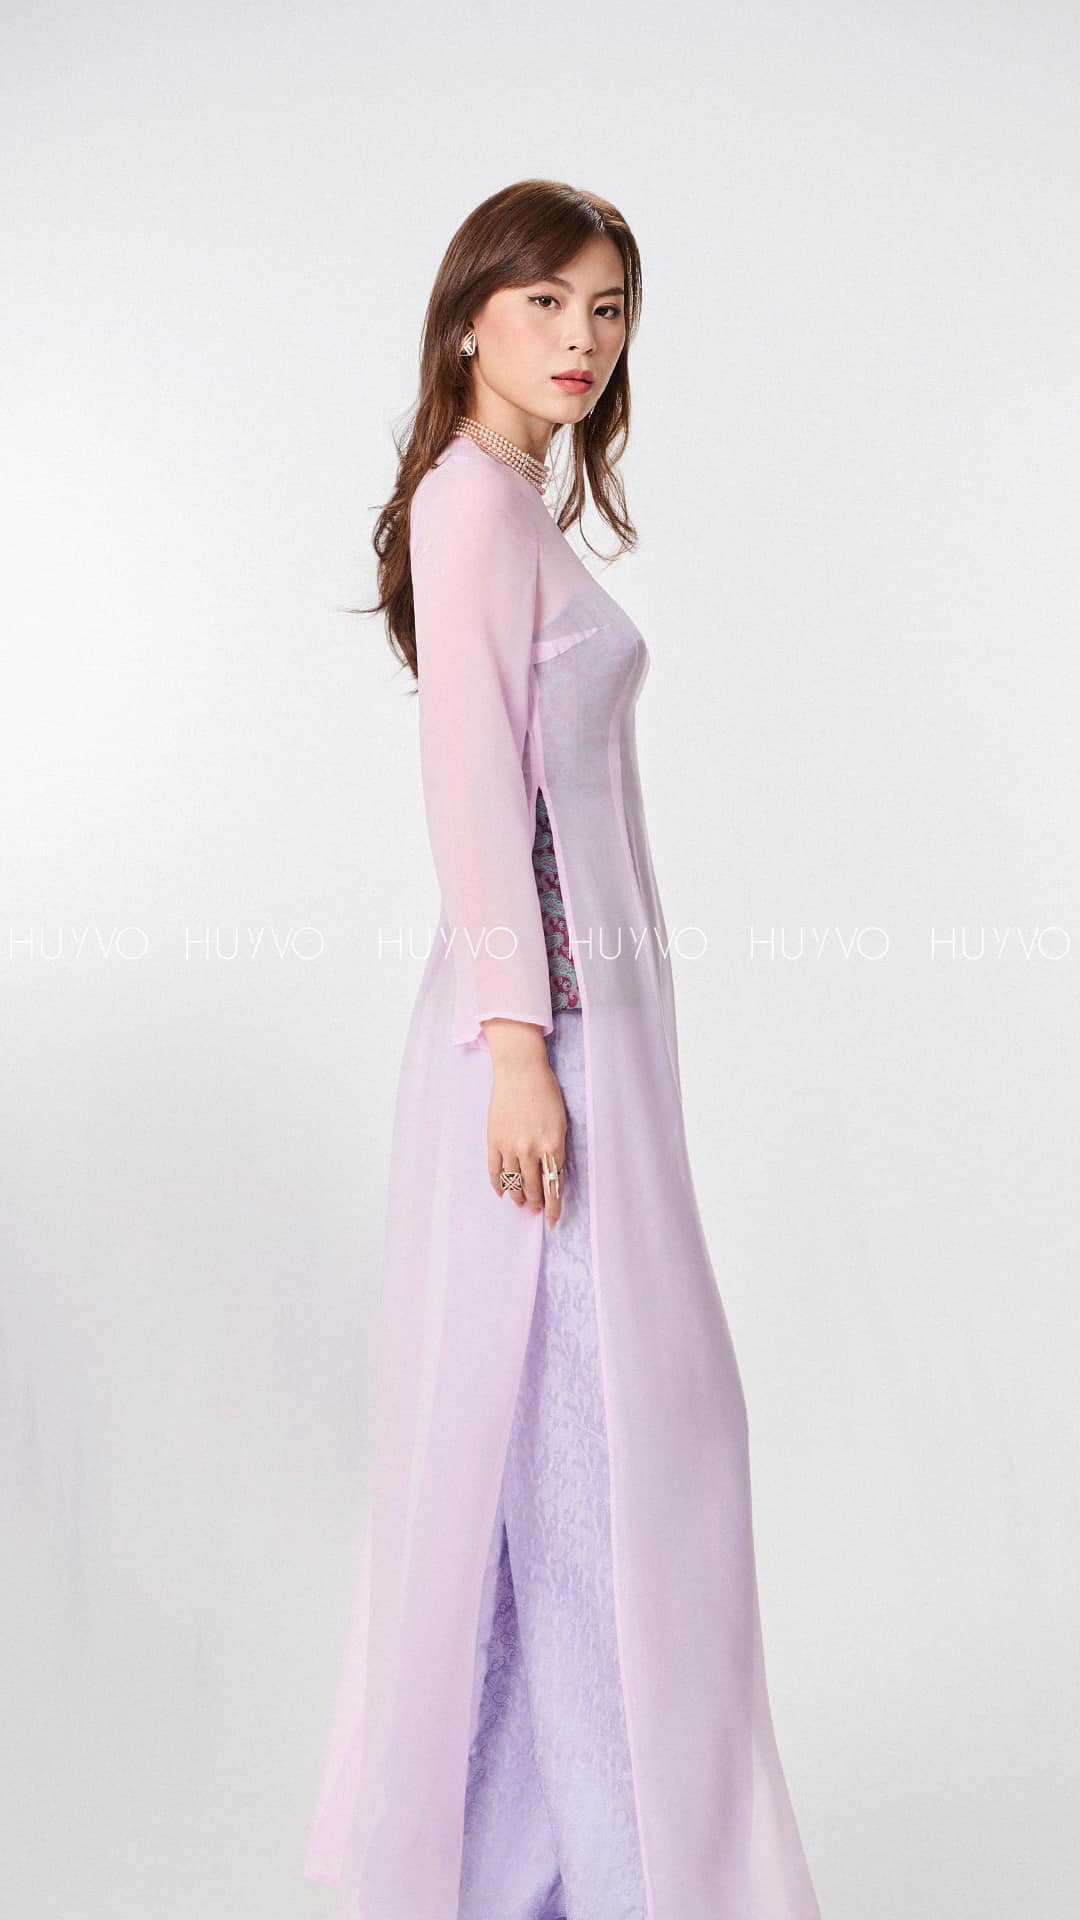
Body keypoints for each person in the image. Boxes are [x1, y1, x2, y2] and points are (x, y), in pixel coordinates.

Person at [304, 178, 821, 1920]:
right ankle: (627, 1879)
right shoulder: (470, 504)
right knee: (600, 1475)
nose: (583, 338)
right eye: (548, 303)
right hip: (541, 1061)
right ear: (471, 317)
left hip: (594, 1052)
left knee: (600, 1462)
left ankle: (548, 1874)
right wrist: (518, 1042)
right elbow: (473, 780)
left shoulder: (511, 507)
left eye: (608, 309)